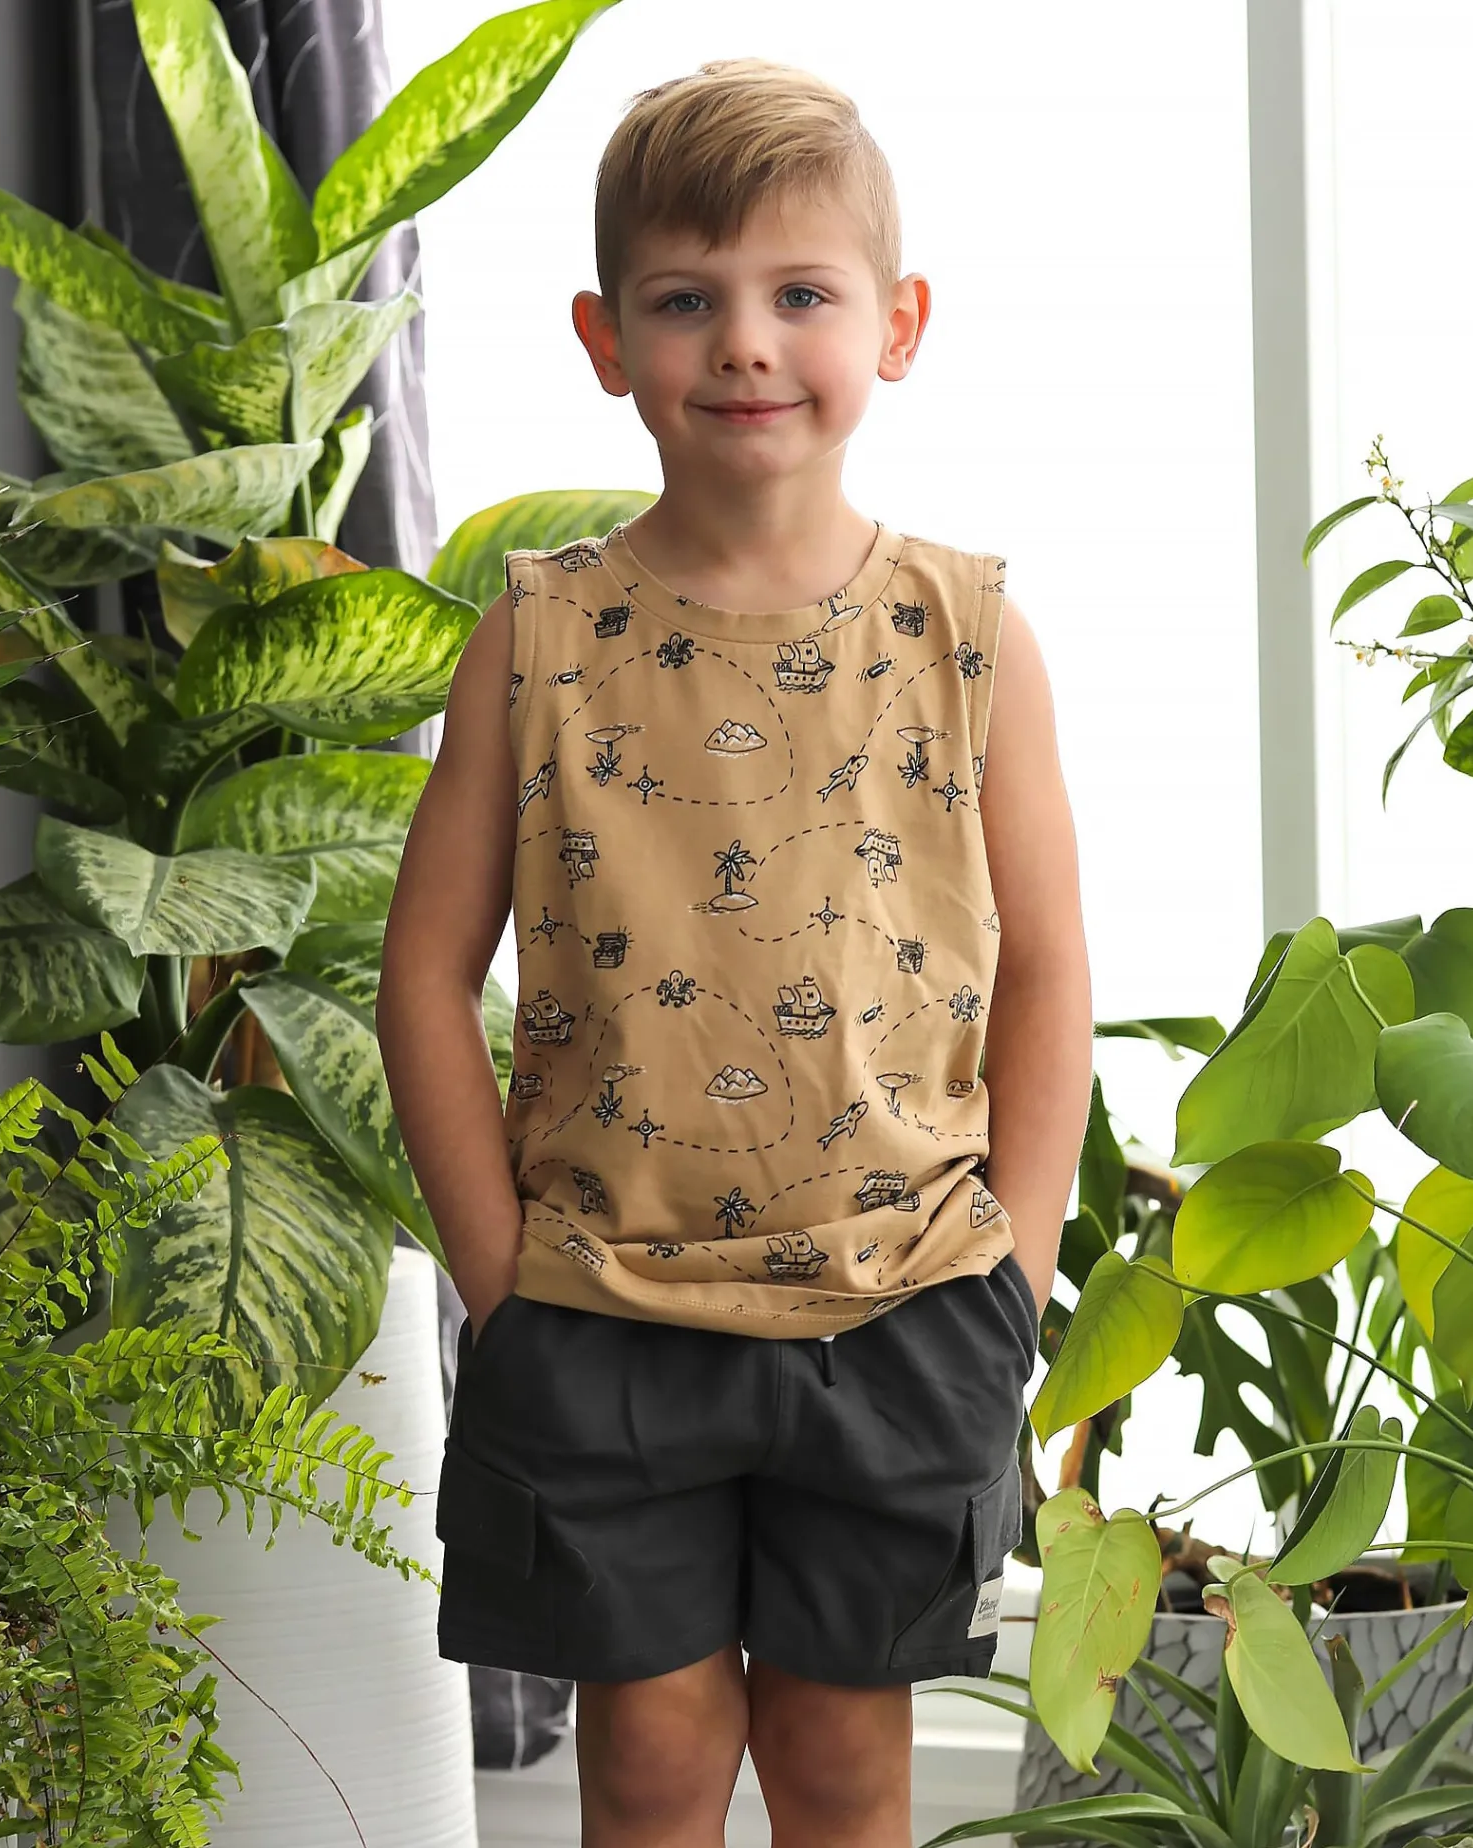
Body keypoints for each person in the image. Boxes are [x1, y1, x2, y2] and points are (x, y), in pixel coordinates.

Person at [377, 56, 1092, 1848]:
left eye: (801, 295)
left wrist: (1015, 1269)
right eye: (687, 301)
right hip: (601, 1313)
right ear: (606, 340)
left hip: (904, 1307)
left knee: (844, 1770)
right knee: (651, 1762)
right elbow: (423, 976)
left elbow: (1047, 973)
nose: (747, 345)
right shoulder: (535, 636)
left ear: (896, 324)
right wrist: (497, 1282)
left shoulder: (969, 634)